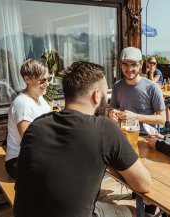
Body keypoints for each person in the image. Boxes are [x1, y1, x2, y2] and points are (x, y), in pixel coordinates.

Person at [14, 61, 152, 217]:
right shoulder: (104, 129)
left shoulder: (36, 125)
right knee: (133, 211)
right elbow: (144, 184)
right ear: (96, 95)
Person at [5, 59, 51, 179]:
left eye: (48, 79)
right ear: (27, 79)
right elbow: (29, 139)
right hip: (18, 160)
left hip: (35, 156)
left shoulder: (41, 100)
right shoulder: (23, 103)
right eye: (42, 80)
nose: (47, 84)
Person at [109, 47, 166, 134]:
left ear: (141, 64)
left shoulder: (152, 87)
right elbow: (112, 108)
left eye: (133, 65)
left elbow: (162, 119)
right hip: (123, 133)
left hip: (146, 136)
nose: (129, 69)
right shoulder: (117, 86)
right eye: (125, 64)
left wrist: (135, 117)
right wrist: (110, 113)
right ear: (121, 64)